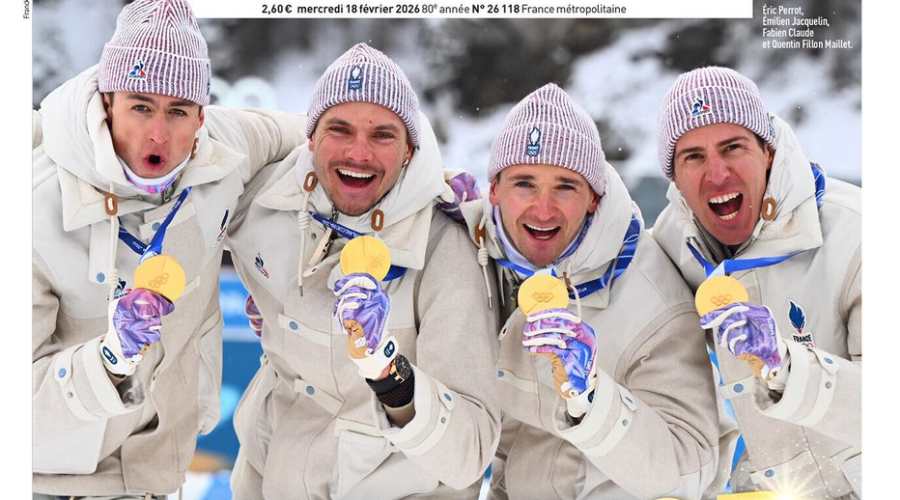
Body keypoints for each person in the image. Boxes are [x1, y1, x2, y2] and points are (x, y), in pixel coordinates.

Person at [32, 0, 304, 497]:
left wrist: (429, 182)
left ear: (201, 117)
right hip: (46, 481)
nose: (158, 133)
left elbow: (332, 143)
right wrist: (109, 359)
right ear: (107, 101)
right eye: (140, 106)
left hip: (158, 475)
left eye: (178, 111)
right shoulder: (33, 207)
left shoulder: (225, 147)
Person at [226, 43, 501, 499]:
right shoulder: (265, 200)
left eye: (383, 135)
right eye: (339, 129)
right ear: (310, 137)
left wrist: (392, 379)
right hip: (270, 478)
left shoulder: (446, 248)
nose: (358, 152)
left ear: (410, 150)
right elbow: (189, 151)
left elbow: (469, 452)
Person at [451, 83, 719, 499]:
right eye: (525, 184)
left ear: (595, 197)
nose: (543, 209)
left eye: (565, 186)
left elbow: (691, 467)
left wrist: (591, 400)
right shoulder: (478, 256)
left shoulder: (653, 302)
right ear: (495, 191)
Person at [651, 66, 861, 498]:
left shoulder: (861, 235)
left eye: (733, 147)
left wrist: (788, 368)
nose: (717, 174)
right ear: (674, 177)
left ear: (768, 151)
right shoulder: (671, 246)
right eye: (693, 157)